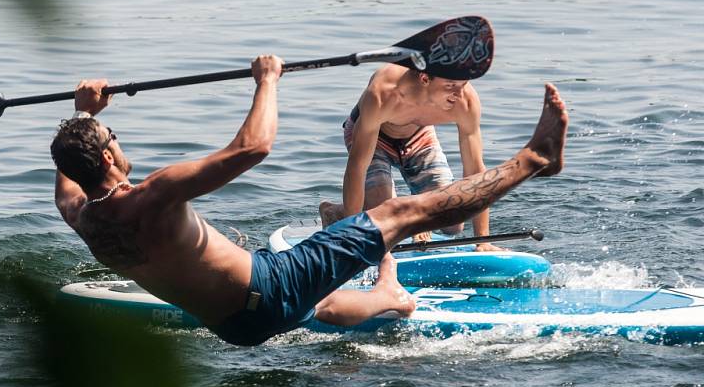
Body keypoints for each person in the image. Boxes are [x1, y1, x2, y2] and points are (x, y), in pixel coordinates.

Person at [51, 55, 568, 346]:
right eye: (111, 136)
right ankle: (535, 159)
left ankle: (390, 295)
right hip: (273, 286)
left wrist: (84, 115)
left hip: (235, 326)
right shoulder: (154, 195)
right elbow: (253, 147)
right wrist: (267, 81)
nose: (119, 140)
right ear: (107, 160)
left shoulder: (83, 216)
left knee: (317, 300)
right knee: (405, 214)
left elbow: (70, 179)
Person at [319, 63, 500, 250]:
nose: (459, 93)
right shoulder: (384, 92)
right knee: (383, 219)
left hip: (419, 136)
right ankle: (335, 213)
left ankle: (410, 215)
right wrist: (352, 237)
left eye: (463, 84)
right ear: (424, 79)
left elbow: (475, 171)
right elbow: (357, 166)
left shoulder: (465, 100)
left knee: (453, 220)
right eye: (450, 86)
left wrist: (483, 241)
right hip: (373, 136)